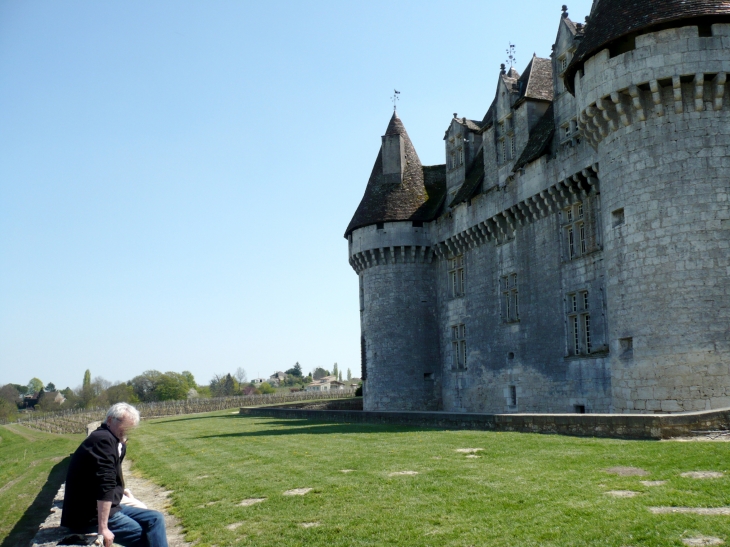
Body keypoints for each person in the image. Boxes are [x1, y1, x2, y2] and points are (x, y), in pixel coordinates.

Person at [61, 403, 168, 547]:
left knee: (156, 518)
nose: (126, 432)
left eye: (130, 428)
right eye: (124, 427)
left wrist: (121, 444)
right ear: (110, 420)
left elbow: (111, 477)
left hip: (109, 506)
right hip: (88, 516)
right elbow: (105, 485)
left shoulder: (109, 438)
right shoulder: (103, 440)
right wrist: (103, 528)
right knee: (145, 536)